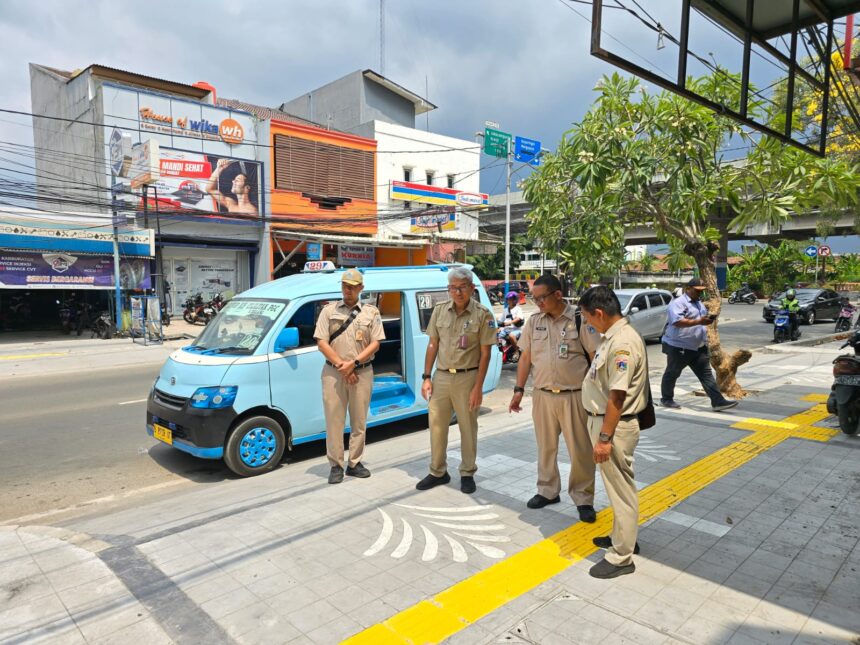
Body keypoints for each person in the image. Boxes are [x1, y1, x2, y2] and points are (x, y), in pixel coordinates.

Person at [508, 274, 600, 521]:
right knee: (545, 448)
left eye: (541, 298)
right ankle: (548, 491)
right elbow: (526, 357)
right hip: (543, 395)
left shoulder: (579, 320)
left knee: (580, 451)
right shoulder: (534, 321)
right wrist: (518, 390)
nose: (537, 303)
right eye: (534, 299)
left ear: (557, 295)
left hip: (575, 396)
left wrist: (597, 395)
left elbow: (594, 357)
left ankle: (583, 498)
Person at [579, 286, 649, 579]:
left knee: (621, 492)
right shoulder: (614, 337)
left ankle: (622, 556)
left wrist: (605, 439)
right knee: (616, 487)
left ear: (599, 313)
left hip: (614, 428)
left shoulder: (622, 344)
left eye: (587, 319)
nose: (587, 325)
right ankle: (622, 537)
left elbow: (616, 397)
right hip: (606, 423)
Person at [418, 267, 496, 494]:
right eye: (453, 287)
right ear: (448, 289)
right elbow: (433, 344)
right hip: (441, 376)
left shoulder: (482, 314)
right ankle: (437, 471)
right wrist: (426, 377)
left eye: (462, 287)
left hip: (468, 377)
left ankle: (467, 472)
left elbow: (485, 354)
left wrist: (478, 387)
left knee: (467, 428)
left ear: (471, 288)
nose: (458, 292)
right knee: (437, 426)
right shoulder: (440, 310)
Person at [314, 269, 385, 484]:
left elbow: (375, 343)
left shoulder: (371, 313)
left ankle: (354, 463)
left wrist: (353, 365)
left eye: (353, 287)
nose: (348, 290)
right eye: (345, 286)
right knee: (334, 421)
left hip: (361, 372)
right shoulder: (328, 311)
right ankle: (335, 465)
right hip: (333, 373)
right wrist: (341, 366)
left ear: (361, 289)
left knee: (359, 421)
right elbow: (321, 342)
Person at [660, 278, 738, 412]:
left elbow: (699, 321)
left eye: (701, 291)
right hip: (679, 347)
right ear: (688, 288)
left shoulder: (699, 304)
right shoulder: (678, 303)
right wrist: (699, 322)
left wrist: (706, 320)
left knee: (706, 374)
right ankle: (666, 399)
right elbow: (677, 321)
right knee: (672, 373)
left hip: (698, 347)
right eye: (697, 291)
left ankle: (718, 401)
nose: (699, 293)